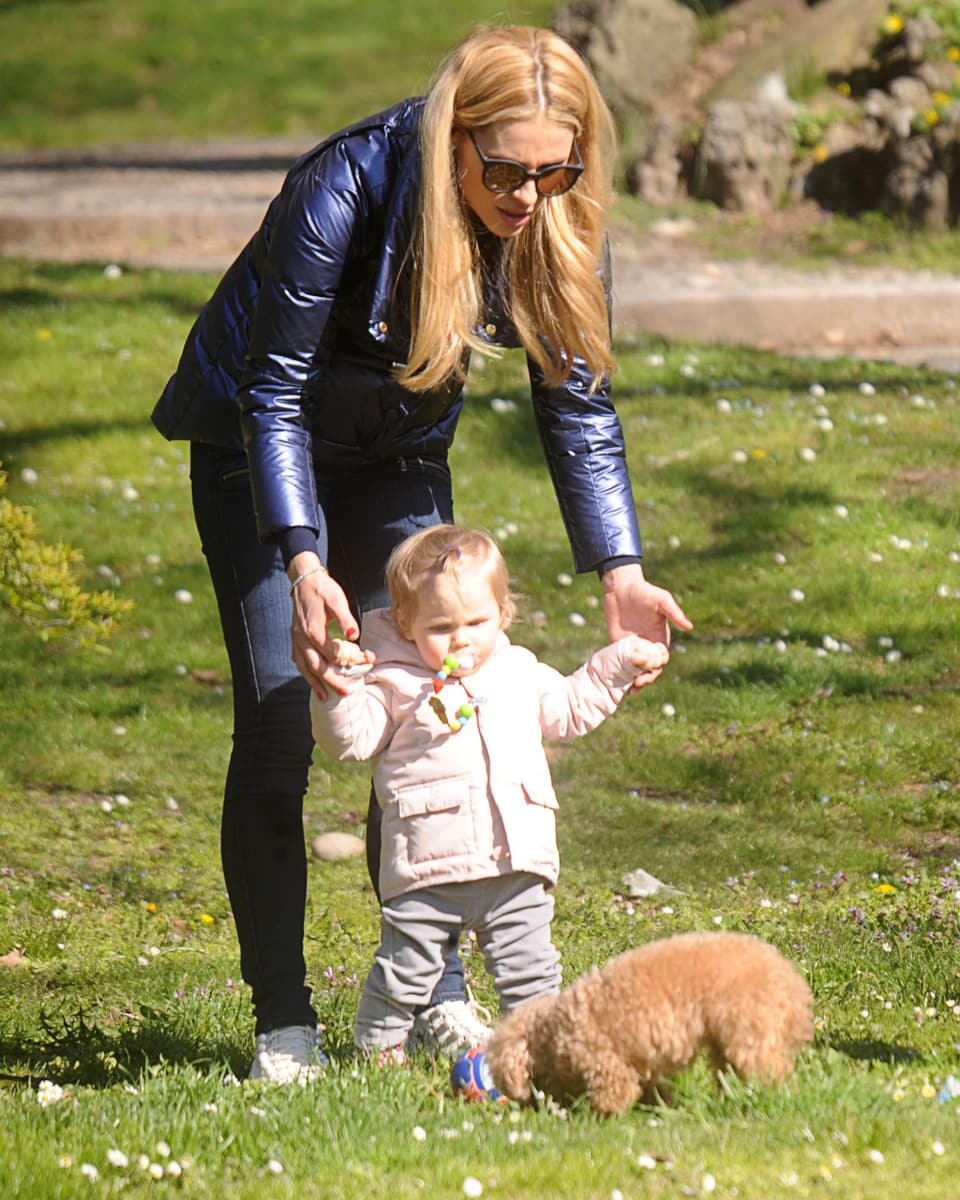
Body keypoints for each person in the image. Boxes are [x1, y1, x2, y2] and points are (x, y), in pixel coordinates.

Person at [151, 23, 692, 1085]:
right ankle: (283, 1020)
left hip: (398, 454)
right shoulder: (344, 185)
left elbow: (578, 403)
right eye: (505, 170)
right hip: (261, 449)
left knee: (432, 694)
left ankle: (433, 994)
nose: (529, 195)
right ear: (455, 142)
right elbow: (273, 391)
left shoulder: (554, 211)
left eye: (556, 169)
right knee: (280, 720)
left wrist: (620, 570)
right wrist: (303, 560)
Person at [311, 525, 670, 1060]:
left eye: (476, 622)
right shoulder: (394, 685)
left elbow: (570, 708)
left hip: (514, 859)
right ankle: (378, 1049)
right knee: (406, 967)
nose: (461, 640)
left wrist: (617, 664)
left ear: (502, 614)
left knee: (531, 969)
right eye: (440, 626)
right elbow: (349, 739)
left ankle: (541, 1055)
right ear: (406, 623)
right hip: (428, 866)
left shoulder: (518, 671)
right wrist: (338, 687)